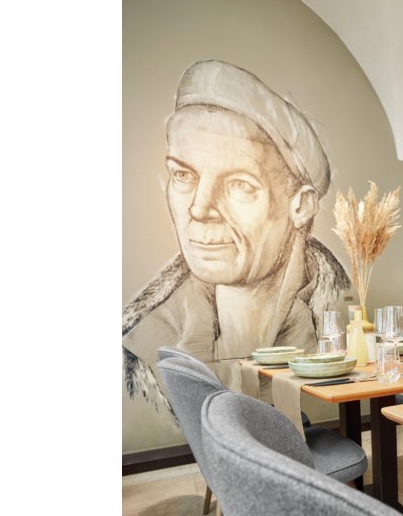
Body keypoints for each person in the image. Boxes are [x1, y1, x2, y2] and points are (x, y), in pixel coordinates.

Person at [123, 60, 350, 408]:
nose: (199, 208)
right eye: (183, 175)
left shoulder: (341, 325)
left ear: (301, 206)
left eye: (239, 184)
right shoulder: (141, 349)